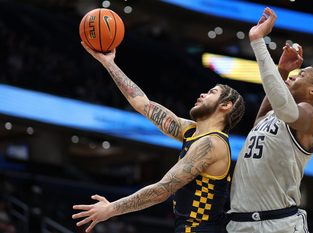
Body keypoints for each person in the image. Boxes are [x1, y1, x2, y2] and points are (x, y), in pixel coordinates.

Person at [72, 42, 245, 232]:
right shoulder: (191, 131)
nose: (202, 94)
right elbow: (142, 104)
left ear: (226, 106)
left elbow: (162, 190)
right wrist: (108, 63)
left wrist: (111, 209)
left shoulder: (212, 144)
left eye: (212, 92)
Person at [226, 7, 313, 233]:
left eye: (301, 75)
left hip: (277, 224)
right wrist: (281, 70)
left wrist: (258, 42)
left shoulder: (308, 117)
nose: (294, 76)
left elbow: (284, 108)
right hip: (240, 222)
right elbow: (259, 120)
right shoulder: (275, 114)